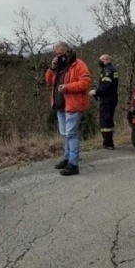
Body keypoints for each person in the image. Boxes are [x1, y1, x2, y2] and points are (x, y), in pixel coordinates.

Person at [45, 42, 91, 176]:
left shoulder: (79, 65)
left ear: (67, 52)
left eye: (60, 54)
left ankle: (73, 164)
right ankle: (67, 158)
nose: (58, 56)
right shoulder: (58, 66)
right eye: (56, 54)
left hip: (73, 105)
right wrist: (52, 68)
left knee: (71, 134)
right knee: (65, 134)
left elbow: (86, 82)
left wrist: (68, 87)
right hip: (60, 106)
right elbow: (48, 81)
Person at [89, 54, 119, 149]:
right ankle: (107, 142)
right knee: (107, 119)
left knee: (106, 120)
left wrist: (96, 92)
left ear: (106, 60)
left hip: (107, 99)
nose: (100, 62)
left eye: (101, 60)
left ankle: (108, 143)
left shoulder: (108, 71)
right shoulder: (110, 70)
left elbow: (106, 86)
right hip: (110, 98)